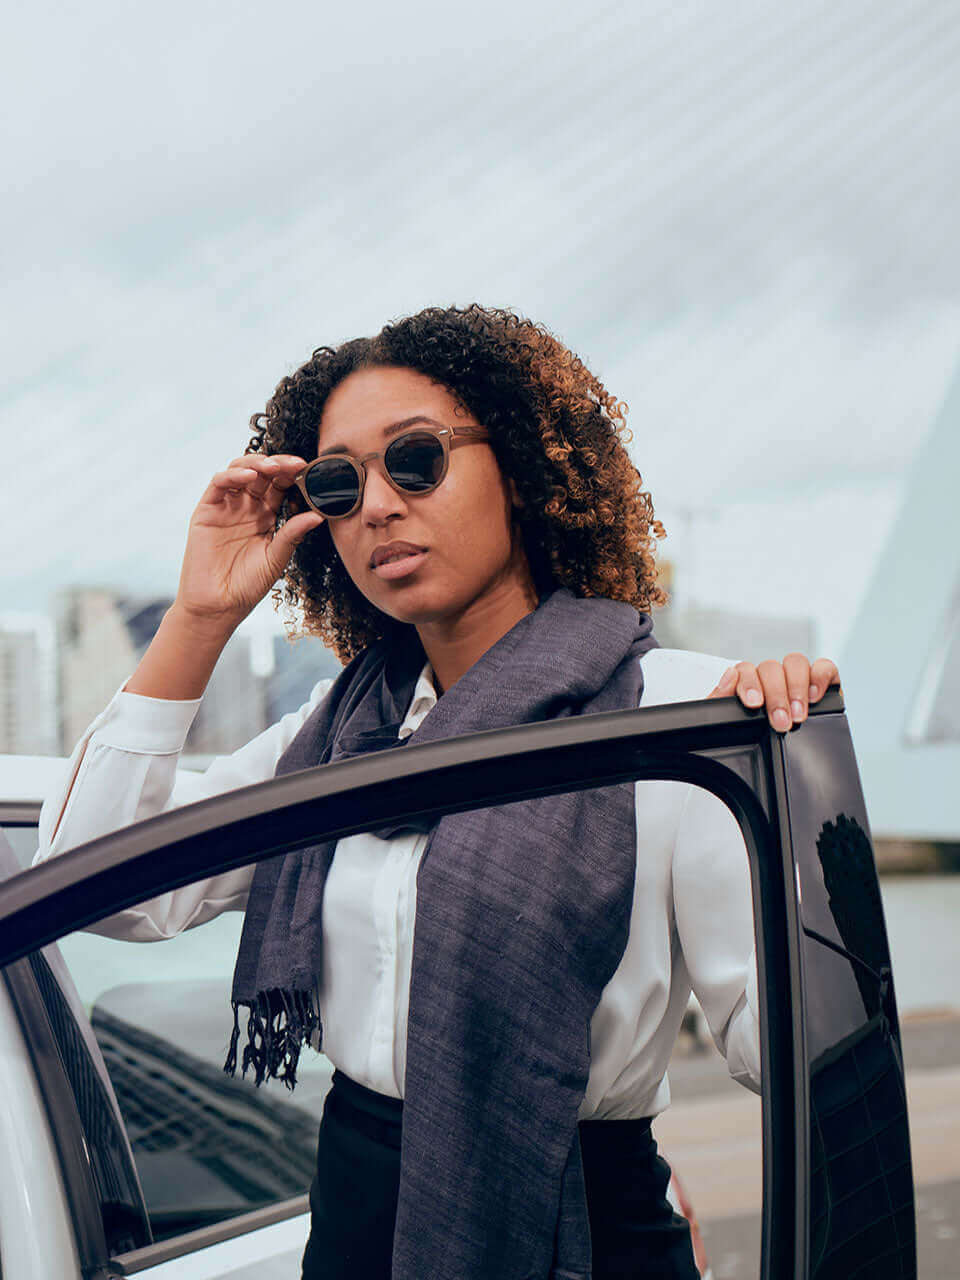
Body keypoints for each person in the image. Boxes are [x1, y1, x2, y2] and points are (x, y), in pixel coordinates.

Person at [37, 304, 839, 1280]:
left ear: (527, 468)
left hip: (579, 1229)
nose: (376, 504)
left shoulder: (671, 716)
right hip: (353, 1218)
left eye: (416, 459)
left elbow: (800, 1045)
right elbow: (96, 887)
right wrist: (202, 614)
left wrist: (805, 813)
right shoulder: (333, 739)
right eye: (339, 482)